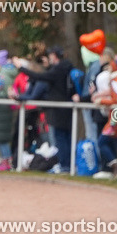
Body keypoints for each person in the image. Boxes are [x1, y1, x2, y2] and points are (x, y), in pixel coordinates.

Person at [17, 45, 76, 173]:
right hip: (63, 108)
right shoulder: (65, 67)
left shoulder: (59, 69)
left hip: (59, 109)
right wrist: (47, 67)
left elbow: (43, 77)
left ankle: (65, 165)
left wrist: (21, 68)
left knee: (61, 138)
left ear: (54, 56)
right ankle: (66, 164)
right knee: (64, 137)